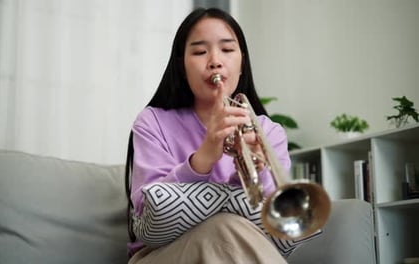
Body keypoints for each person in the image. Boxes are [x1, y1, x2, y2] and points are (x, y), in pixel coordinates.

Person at [124, 7, 316, 264]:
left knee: (229, 228)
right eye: (200, 52)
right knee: (223, 227)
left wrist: (253, 171)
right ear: (182, 66)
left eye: (227, 50)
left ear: (242, 63)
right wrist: (204, 156)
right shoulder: (152, 121)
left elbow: (281, 226)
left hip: (245, 247)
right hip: (161, 255)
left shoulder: (269, 131)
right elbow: (150, 215)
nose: (215, 60)